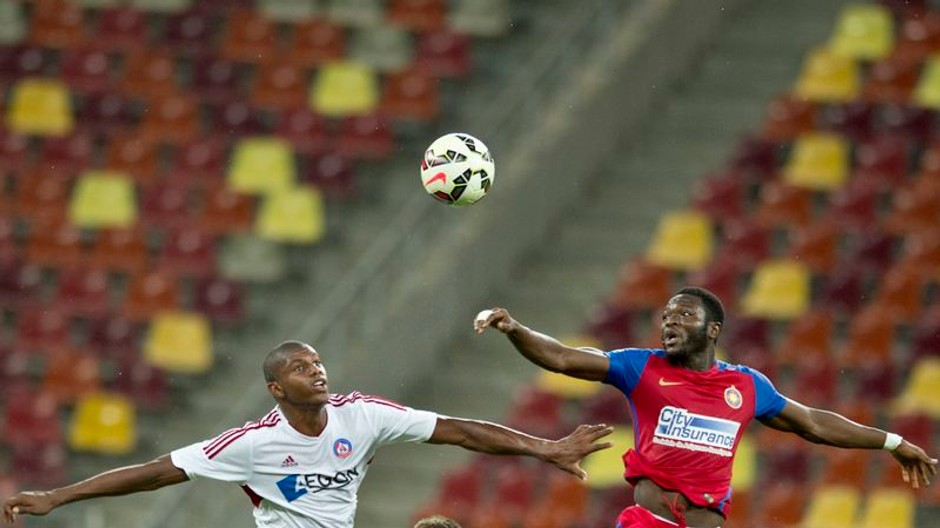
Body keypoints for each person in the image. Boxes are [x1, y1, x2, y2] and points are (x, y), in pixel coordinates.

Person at [2, 340, 614, 528]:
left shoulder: (362, 415)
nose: (317, 372)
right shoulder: (250, 444)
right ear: (276, 388)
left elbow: (457, 431)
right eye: (300, 368)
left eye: (318, 363)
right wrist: (58, 496)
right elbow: (157, 472)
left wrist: (544, 447)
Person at [474, 286, 939, 528]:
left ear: (713, 329)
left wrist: (893, 442)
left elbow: (814, 423)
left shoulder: (746, 385)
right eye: (665, 316)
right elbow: (561, 357)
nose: (669, 322)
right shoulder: (640, 367)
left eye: (684, 315)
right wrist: (515, 329)